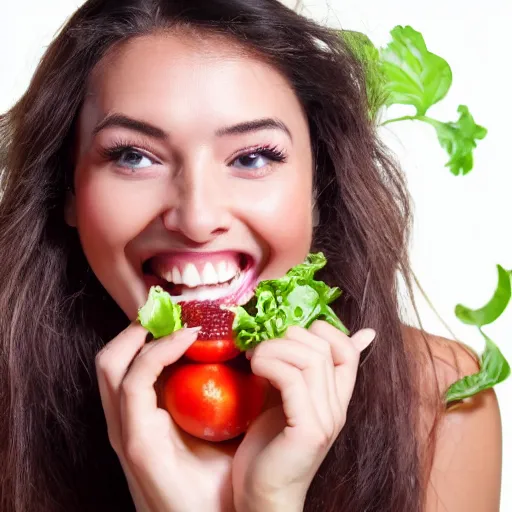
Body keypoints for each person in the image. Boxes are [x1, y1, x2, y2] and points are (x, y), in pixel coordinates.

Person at [0, 0, 502, 511]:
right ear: (66, 190)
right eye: (133, 156)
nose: (197, 219)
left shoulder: (439, 399)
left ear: (318, 191)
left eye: (253, 157)